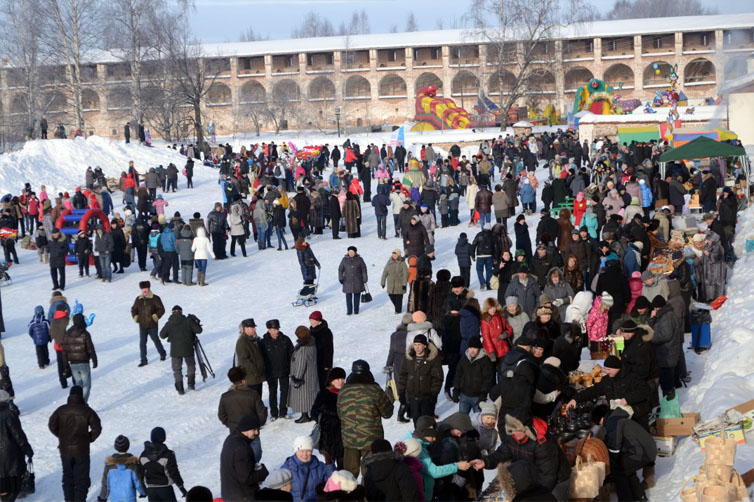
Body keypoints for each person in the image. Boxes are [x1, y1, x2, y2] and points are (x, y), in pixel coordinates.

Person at [471, 409, 571, 501]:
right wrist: (485, 462)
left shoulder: (543, 444)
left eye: (517, 429)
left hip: (557, 480)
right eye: (511, 430)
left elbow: (547, 477)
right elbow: (502, 453)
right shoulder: (512, 436)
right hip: (532, 476)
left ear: (526, 429)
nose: (514, 433)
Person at [337, 360, 394, 477]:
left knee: (348, 476)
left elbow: (340, 414)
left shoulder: (343, 391)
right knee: (370, 474)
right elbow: (387, 413)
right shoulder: (375, 390)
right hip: (371, 440)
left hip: (349, 439)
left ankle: (350, 489)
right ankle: (366, 489)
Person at [591, 404, 657, 502]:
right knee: (628, 468)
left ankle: (626, 499)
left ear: (601, 418)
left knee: (618, 471)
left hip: (643, 452)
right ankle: (640, 496)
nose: (601, 425)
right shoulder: (617, 417)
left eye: (599, 423)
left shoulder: (612, 422)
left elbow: (614, 447)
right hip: (647, 449)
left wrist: (610, 464)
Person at [567, 355, 652, 430]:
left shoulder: (632, 377)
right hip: (619, 417)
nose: (607, 372)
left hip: (637, 417)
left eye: (609, 369)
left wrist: (628, 399)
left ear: (617, 368)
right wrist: (576, 399)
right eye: (605, 369)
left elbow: (645, 390)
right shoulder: (606, 380)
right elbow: (593, 391)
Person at [49, 386, 102, 502]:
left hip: (65, 450)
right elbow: (97, 428)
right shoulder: (87, 411)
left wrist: (62, 436)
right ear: (81, 396)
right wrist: (88, 438)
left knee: (68, 477)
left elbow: (52, 425)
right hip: (82, 450)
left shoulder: (61, 410)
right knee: (82, 478)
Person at [404, 416, 471, 501]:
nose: (435, 439)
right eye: (432, 436)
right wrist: (457, 466)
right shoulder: (417, 449)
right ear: (425, 434)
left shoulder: (410, 440)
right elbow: (433, 472)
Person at [218, 366, 267, 462]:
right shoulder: (253, 395)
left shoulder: (225, 397)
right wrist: (255, 427)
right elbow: (262, 414)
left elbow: (222, 415)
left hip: (235, 432)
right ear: (244, 380)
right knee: (255, 458)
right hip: (252, 434)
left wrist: (231, 424)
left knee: (239, 459)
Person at [219, 414, 268, 502]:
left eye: (258, 429)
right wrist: (262, 472)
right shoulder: (242, 448)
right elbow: (246, 478)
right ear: (246, 428)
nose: (257, 433)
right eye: (254, 429)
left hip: (229, 494)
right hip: (242, 497)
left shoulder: (230, 439)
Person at [398, 334, 443, 424]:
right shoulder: (408, 358)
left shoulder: (432, 359)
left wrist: (433, 394)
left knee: (426, 423)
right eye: (415, 344)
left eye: (419, 345)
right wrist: (401, 392)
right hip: (413, 397)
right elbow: (403, 375)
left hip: (427, 398)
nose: (417, 347)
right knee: (416, 422)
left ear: (425, 346)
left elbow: (437, 378)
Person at [159, 306, 202, 395]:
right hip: (188, 348)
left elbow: (162, 335)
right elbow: (199, 330)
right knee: (191, 366)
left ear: (172, 312)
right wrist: (195, 322)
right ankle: (191, 384)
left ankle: (180, 389)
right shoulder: (188, 321)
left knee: (177, 369)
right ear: (181, 312)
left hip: (175, 351)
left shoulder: (169, 323)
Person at [0, 390, 33, 502]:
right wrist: (27, 448)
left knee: (2, 481)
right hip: (10, 454)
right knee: (13, 481)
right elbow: (18, 434)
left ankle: (4, 496)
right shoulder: (9, 414)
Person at [311, 368, 346, 469]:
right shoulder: (324, 394)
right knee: (329, 468)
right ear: (331, 381)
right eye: (337, 379)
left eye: (342, 378)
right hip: (328, 437)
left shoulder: (347, 393)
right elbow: (314, 412)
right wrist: (325, 420)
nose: (340, 381)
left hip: (343, 436)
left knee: (343, 467)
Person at [281, 436, 334, 502]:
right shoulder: (287, 468)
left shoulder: (320, 466)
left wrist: (329, 465)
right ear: (296, 451)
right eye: (302, 451)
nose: (305, 454)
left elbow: (332, 484)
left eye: (308, 451)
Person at [259, 319, 293, 421]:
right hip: (271, 372)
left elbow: (292, 354)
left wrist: (291, 369)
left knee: (284, 391)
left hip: (284, 370)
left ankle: (283, 412)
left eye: (277, 329)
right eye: (274, 329)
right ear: (269, 330)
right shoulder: (263, 342)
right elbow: (261, 358)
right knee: (272, 392)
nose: (276, 331)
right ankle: (274, 413)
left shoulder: (285, 339)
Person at [61, 313, 98, 403]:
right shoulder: (85, 334)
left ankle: (78, 402)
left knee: (78, 384)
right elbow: (90, 348)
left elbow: (64, 351)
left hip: (73, 363)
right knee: (87, 385)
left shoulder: (67, 334)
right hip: (84, 362)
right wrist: (94, 360)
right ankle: (82, 403)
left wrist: (65, 364)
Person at [452, 336, 494, 414]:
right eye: (470, 347)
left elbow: (488, 379)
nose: (472, 350)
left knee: (477, 419)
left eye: (475, 348)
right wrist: (456, 389)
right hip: (464, 395)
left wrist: (483, 394)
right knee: (462, 418)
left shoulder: (485, 360)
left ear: (479, 348)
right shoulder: (464, 358)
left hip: (478, 397)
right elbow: (458, 374)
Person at [97, 435, 143, 502]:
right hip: (130, 499)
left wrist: (103, 497)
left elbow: (105, 484)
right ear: (128, 446)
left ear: (115, 447)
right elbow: (138, 482)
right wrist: (143, 492)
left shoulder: (110, 466)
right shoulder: (133, 466)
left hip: (115, 499)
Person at [131, 281, 167, 367]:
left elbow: (161, 309)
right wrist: (136, 317)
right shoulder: (138, 299)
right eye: (143, 288)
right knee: (142, 343)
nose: (144, 290)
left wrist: (155, 317)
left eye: (146, 288)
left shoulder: (155, 298)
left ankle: (162, 353)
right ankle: (143, 360)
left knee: (156, 340)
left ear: (149, 288)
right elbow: (133, 309)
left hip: (152, 325)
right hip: (142, 326)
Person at [288, 326, 319, 424]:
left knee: (303, 397)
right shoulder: (312, 345)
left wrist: (296, 378)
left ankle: (304, 416)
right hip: (311, 375)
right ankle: (312, 415)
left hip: (304, 378)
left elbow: (301, 365)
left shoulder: (303, 349)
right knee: (311, 396)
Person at [235, 318, 266, 395]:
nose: (255, 329)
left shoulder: (254, 339)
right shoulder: (242, 342)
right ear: (245, 328)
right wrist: (255, 370)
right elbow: (244, 361)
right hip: (251, 378)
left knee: (258, 397)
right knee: (252, 398)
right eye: (252, 327)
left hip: (257, 376)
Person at [338, 246, 368, 316]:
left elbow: (364, 269)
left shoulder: (360, 259)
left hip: (358, 281)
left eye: (352, 252)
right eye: (350, 252)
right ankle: (349, 310)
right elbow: (340, 269)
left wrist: (365, 278)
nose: (351, 253)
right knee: (348, 297)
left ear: (355, 252)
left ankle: (356, 310)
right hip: (347, 281)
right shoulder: (344, 259)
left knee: (357, 296)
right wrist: (340, 278)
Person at [308, 311, 333, 392]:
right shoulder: (310, 331)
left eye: (313, 320)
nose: (311, 322)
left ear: (318, 321)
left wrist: (327, 364)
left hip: (323, 363)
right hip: (313, 362)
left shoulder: (326, 332)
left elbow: (329, 349)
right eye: (310, 320)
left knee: (324, 384)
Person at [381, 249, 409, 314]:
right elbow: (385, 272)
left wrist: (404, 284)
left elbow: (406, 273)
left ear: (398, 255)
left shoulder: (402, 262)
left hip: (400, 283)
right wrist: (383, 282)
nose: (393, 255)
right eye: (393, 254)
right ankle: (398, 307)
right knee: (391, 295)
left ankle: (398, 310)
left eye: (395, 254)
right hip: (391, 283)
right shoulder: (389, 262)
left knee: (399, 297)